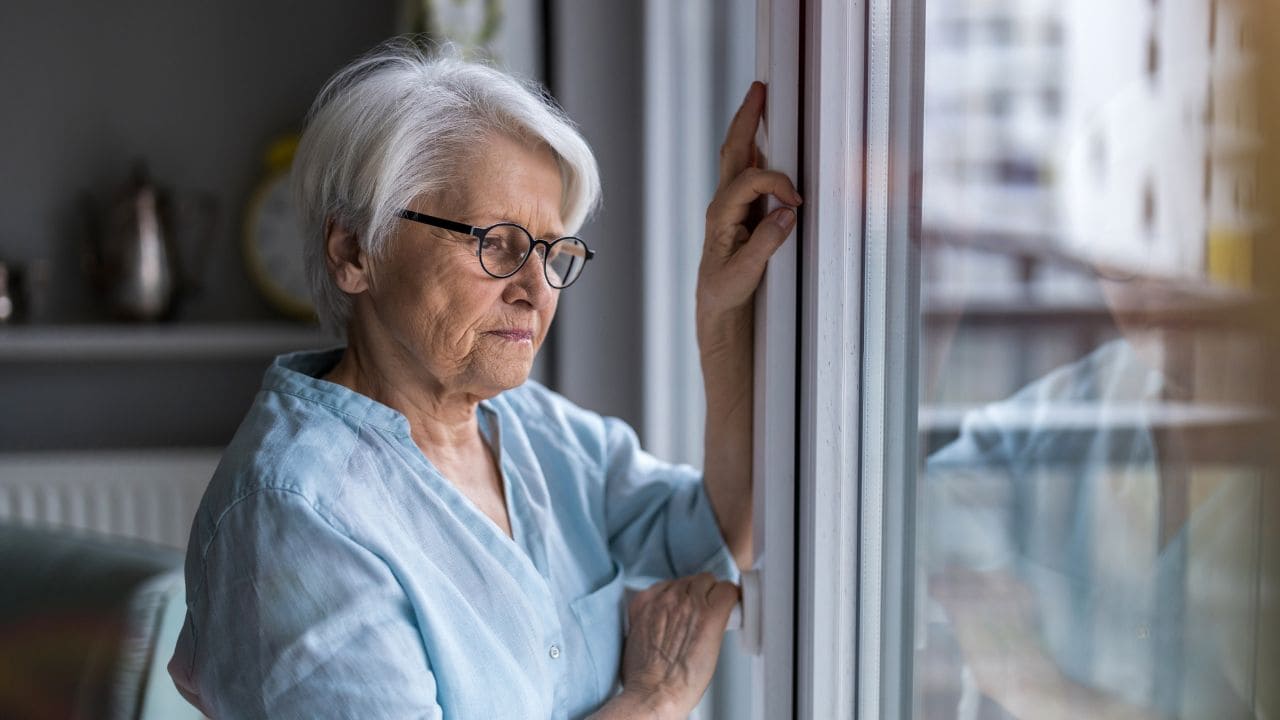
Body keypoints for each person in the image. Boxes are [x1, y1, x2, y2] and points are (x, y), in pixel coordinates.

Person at [166, 39, 801, 719]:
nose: (536, 287)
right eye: (495, 243)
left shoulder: (533, 429)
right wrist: (654, 699)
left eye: (554, 251)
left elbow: (717, 528)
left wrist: (721, 317)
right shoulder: (296, 514)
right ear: (354, 250)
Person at [922, 274, 1263, 719]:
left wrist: (1051, 698)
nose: (1153, 286)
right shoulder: (1087, 398)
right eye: (1119, 270)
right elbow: (911, 508)